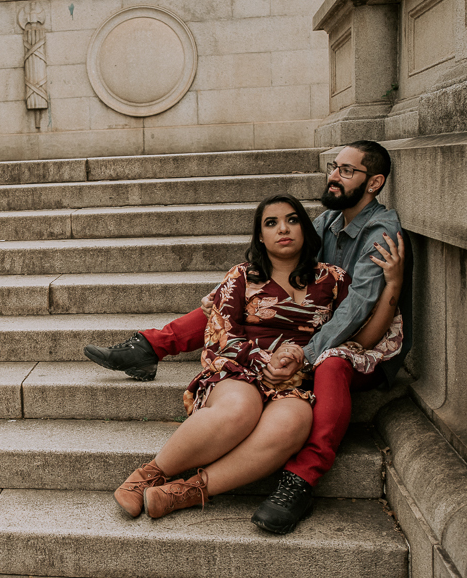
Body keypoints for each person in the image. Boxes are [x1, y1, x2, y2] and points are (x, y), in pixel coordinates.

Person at [86, 140, 404, 531]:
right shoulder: (327, 222)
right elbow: (268, 269)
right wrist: (230, 306)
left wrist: (303, 355)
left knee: (293, 419)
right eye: (333, 167)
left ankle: (186, 490)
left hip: (309, 358)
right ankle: (149, 467)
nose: (334, 176)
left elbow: (356, 312)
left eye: (346, 170)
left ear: (374, 182)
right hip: (252, 360)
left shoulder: (372, 240)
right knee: (237, 377)